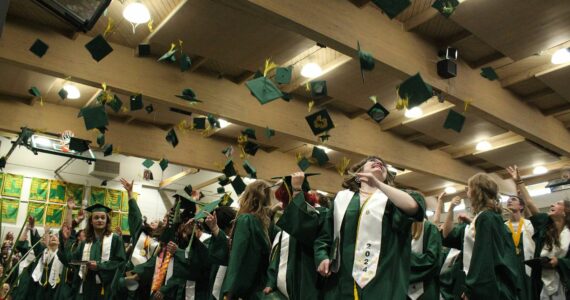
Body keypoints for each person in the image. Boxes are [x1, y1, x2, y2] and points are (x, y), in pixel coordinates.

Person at [314, 156, 426, 299]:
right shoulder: (342, 199)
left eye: (383, 164)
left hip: (382, 281)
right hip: (343, 280)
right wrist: (322, 257)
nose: (379, 163)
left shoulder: (392, 200)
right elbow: (325, 235)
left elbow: (413, 207)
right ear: (359, 172)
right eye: (372, 160)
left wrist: (379, 184)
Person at [442, 173, 521, 300]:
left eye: (469, 188)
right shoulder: (483, 217)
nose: (467, 192)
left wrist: (472, 288)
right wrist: (451, 208)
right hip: (484, 285)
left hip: (489, 288)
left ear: (476, 191)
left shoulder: (487, 218)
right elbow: (448, 237)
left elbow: (485, 258)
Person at [506, 165, 570, 300]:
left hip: (563, 282)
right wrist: (519, 181)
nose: (552, 205)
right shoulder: (545, 223)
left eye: (557, 203)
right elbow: (529, 203)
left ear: (566, 211)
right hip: (541, 280)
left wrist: (559, 262)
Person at [263, 174, 329, 299]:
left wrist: (296, 191)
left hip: (306, 290)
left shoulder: (320, 215)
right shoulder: (285, 226)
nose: (282, 206)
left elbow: (304, 228)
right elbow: (278, 256)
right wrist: (271, 281)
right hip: (282, 293)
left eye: (284, 201)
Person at [209, 180, 272, 299]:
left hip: (242, 291)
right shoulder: (263, 223)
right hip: (257, 288)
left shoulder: (245, 220)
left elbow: (238, 257)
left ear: (248, 197)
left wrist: (229, 291)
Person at [58, 202, 126, 300]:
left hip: (105, 288)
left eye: (103, 217)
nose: (100, 220)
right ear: (91, 221)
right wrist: (65, 241)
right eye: (96, 217)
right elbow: (71, 261)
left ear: (107, 221)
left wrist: (99, 266)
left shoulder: (115, 240)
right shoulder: (85, 242)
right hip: (86, 288)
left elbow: (121, 263)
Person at [504, 193, 534, 300]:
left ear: (521, 206)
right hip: (511, 265)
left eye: (513, 199)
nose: (509, 201)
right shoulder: (504, 226)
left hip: (526, 263)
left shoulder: (529, 224)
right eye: (508, 200)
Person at [408, 217, 441, 300]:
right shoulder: (402, 228)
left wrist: (404, 257)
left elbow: (432, 260)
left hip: (425, 290)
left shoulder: (429, 228)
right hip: (403, 288)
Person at [29, 225, 63, 300]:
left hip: (55, 288)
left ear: (59, 242)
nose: (53, 237)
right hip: (40, 287)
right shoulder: (42, 252)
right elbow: (36, 242)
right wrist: (32, 228)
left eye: (56, 236)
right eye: (51, 237)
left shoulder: (62, 256)